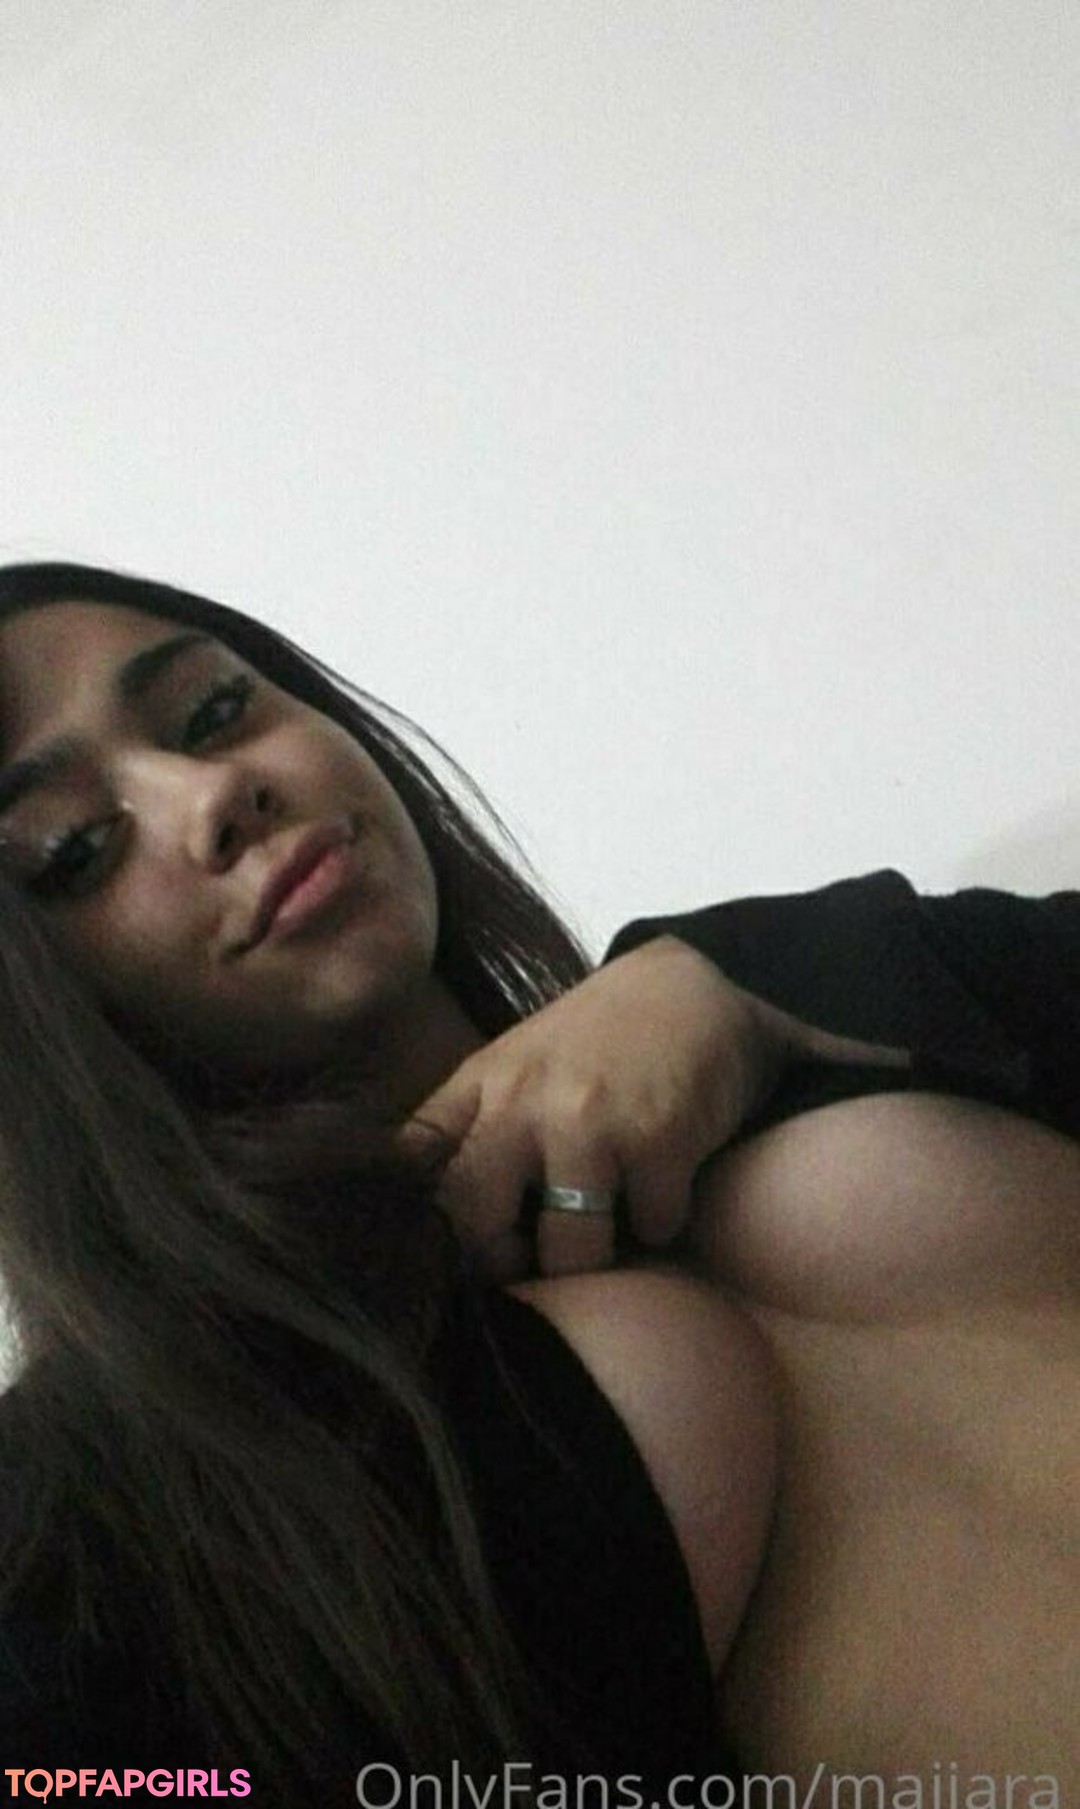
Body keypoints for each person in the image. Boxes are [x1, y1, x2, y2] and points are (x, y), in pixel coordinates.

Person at [0, 564, 1076, 1797]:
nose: (212, 793)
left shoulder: (792, 995)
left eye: (213, 709)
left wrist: (745, 971)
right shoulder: (111, 1493)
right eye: (75, 851)